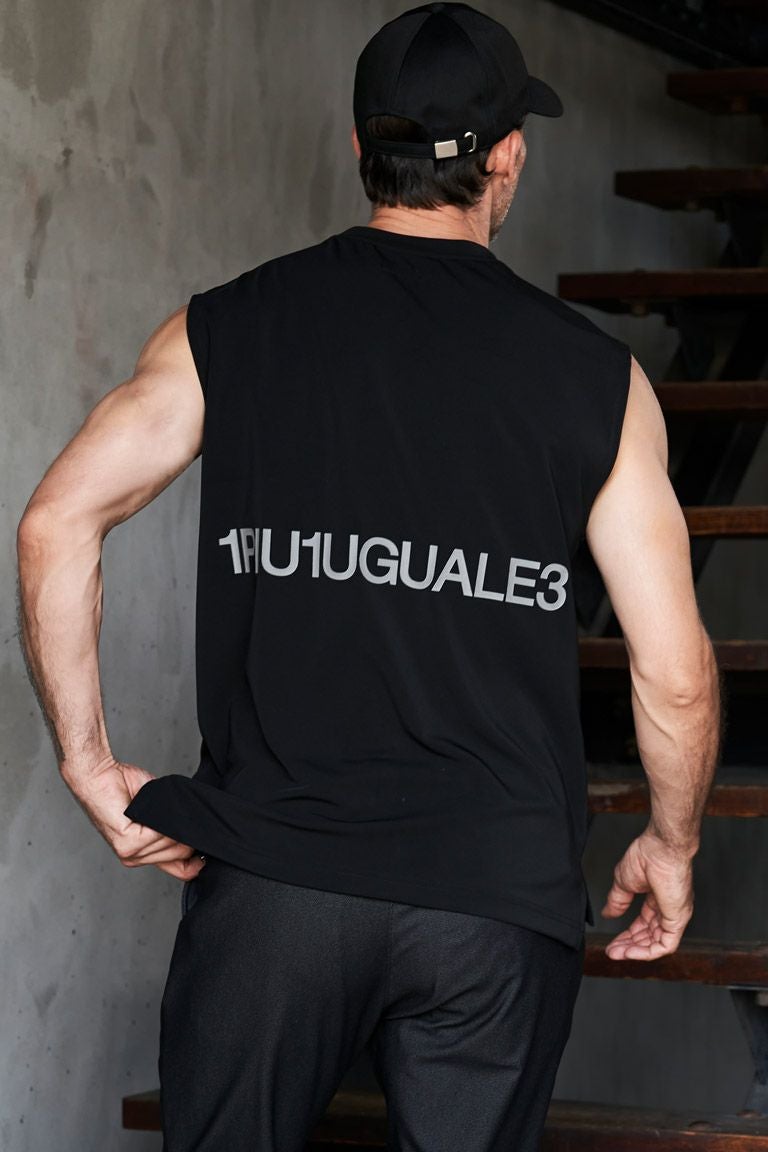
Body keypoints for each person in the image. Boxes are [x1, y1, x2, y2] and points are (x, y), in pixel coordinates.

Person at [16, 3, 721, 1149]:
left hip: (275, 890)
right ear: (508, 158)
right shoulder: (598, 383)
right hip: (494, 904)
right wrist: (673, 843)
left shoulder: (226, 329)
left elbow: (56, 523)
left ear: (360, 149)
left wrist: (88, 765)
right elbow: (675, 672)